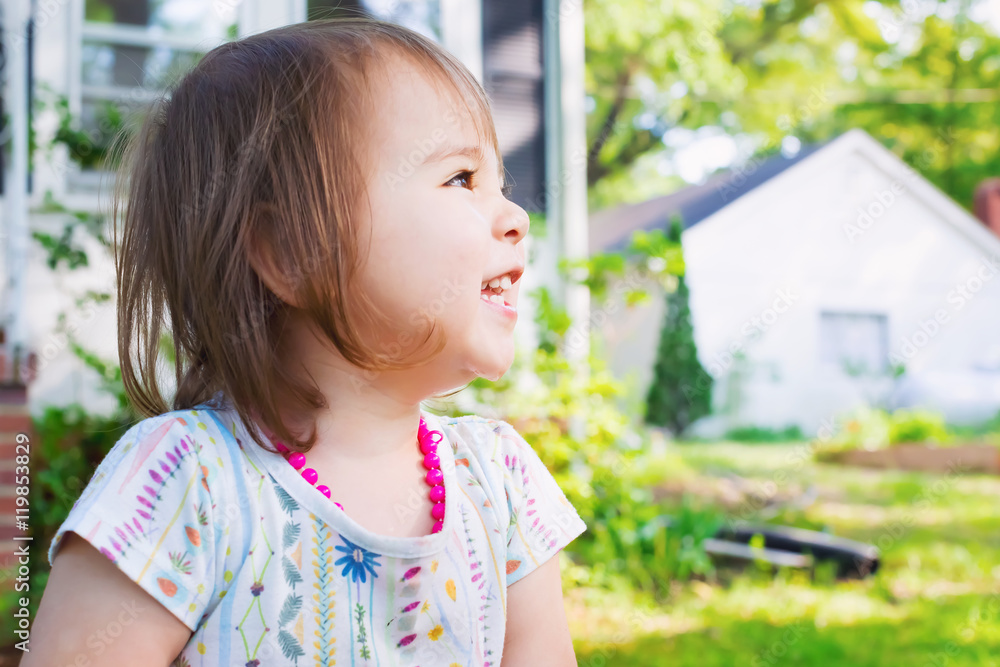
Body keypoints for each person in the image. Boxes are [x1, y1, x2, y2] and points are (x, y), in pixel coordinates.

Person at [26, 17, 587, 667]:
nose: (515, 217)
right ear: (288, 252)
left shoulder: (500, 484)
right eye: (461, 178)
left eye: (502, 184)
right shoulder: (189, 485)